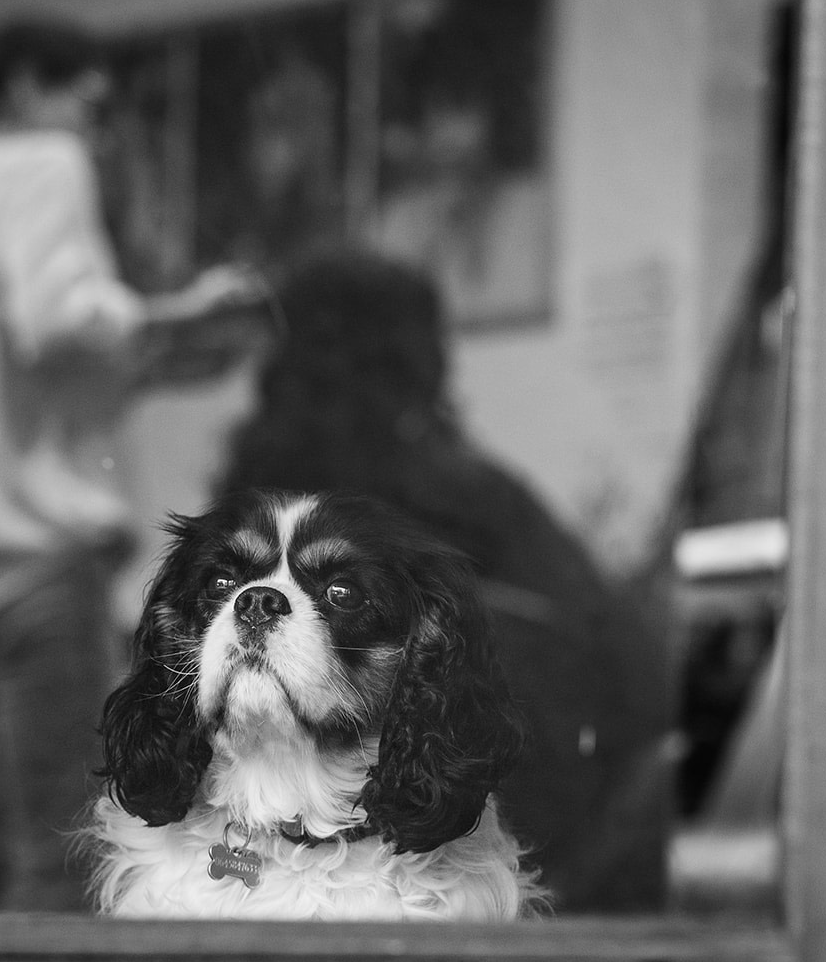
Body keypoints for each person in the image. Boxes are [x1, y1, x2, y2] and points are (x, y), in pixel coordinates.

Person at [0, 17, 266, 911]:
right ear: (24, 91)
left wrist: (156, 348)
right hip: (44, 581)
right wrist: (188, 314)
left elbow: (36, 374)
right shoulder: (39, 165)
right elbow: (62, 316)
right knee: (64, 871)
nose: (95, 137)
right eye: (89, 107)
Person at [217, 251, 671, 912]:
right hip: (497, 869)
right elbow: (641, 686)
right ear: (422, 358)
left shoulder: (248, 517)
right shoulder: (472, 497)